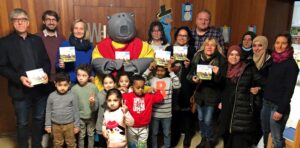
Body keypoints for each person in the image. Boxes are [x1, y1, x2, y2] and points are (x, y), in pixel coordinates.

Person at [0, 8, 51, 148]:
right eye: (16, 20)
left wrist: (46, 73)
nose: (20, 22)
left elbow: (46, 61)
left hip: (40, 89)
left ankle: (36, 145)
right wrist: (20, 78)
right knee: (22, 122)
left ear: (28, 22)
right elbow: (2, 67)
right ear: (12, 23)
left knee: (39, 118)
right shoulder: (4, 42)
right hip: (19, 89)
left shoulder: (37, 40)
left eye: (23, 19)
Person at [218, 45, 263, 148]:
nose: (234, 57)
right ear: (228, 55)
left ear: (240, 56)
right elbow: (220, 87)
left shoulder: (248, 68)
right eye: (231, 54)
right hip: (226, 107)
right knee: (226, 135)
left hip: (240, 108)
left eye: (237, 55)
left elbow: (262, 82)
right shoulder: (224, 67)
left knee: (239, 139)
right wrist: (220, 100)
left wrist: (258, 88)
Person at [187, 37, 227, 148]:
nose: (209, 47)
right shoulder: (197, 57)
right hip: (200, 93)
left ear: (216, 47)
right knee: (200, 118)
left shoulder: (221, 60)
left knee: (208, 120)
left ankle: (209, 140)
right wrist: (193, 79)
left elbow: (223, 82)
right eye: (207, 44)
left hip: (213, 95)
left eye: (212, 45)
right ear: (204, 46)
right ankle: (203, 138)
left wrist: (218, 73)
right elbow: (189, 75)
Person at [261, 33, 299, 148]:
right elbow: (268, 81)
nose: (280, 46)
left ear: (288, 45)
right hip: (266, 102)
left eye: (283, 43)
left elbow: (289, 90)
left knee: (277, 138)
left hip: (278, 107)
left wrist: (280, 110)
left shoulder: (291, 65)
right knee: (266, 132)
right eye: (277, 43)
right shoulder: (273, 60)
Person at [165, 26, 196, 147]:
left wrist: (189, 66)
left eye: (185, 36)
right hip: (172, 84)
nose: (182, 38)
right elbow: (161, 69)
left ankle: (188, 135)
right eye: (180, 35)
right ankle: (175, 135)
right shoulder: (169, 48)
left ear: (188, 38)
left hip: (187, 84)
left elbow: (197, 70)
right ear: (176, 36)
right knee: (174, 110)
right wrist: (170, 65)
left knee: (187, 110)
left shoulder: (192, 50)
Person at [142, 61, 181, 148]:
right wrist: (149, 69)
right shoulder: (152, 80)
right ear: (155, 70)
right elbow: (141, 81)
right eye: (158, 70)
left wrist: (171, 71)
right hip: (154, 113)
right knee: (154, 133)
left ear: (166, 71)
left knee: (167, 133)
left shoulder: (169, 80)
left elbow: (177, 85)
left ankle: (167, 146)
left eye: (162, 70)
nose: (160, 72)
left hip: (167, 114)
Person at [123, 75, 164, 147]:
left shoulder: (148, 96)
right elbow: (116, 96)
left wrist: (155, 90)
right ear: (132, 87)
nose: (140, 90)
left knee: (142, 145)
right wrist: (122, 89)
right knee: (132, 145)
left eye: (142, 87)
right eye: (138, 88)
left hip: (144, 128)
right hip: (131, 127)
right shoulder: (127, 96)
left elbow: (160, 98)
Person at [45, 72, 80, 148]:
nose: (62, 88)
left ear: (69, 84)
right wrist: (48, 125)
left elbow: (76, 111)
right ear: (55, 84)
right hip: (55, 125)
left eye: (65, 85)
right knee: (57, 143)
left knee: (71, 143)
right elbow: (48, 111)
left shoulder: (73, 96)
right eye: (59, 85)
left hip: (69, 125)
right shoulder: (51, 96)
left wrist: (77, 125)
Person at [56, 19, 93, 84]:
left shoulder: (90, 46)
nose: (78, 31)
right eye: (76, 28)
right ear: (72, 30)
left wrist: (92, 75)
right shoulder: (65, 44)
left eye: (81, 29)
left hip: (86, 81)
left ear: (85, 31)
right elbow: (57, 65)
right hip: (70, 81)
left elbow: (92, 64)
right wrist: (60, 65)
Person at [251, 35, 272, 146]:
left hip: (264, 100)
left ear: (265, 46)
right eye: (254, 45)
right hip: (250, 98)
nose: (257, 48)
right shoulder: (250, 59)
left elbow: (273, 84)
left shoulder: (271, 62)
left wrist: (260, 89)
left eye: (260, 45)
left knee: (261, 125)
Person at [71, 64, 98, 148]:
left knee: (91, 135)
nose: (81, 78)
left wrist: (93, 102)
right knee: (81, 135)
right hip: (80, 117)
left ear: (89, 76)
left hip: (91, 116)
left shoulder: (93, 87)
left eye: (84, 75)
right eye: (78, 75)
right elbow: (72, 105)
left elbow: (97, 104)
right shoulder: (74, 89)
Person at [36, 10, 65, 82]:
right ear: (43, 21)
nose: (51, 22)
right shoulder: (36, 37)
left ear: (57, 22)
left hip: (59, 77)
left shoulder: (62, 38)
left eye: (54, 20)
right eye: (48, 19)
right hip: (42, 77)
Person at [93, 74, 116, 147]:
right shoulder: (99, 95)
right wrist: (92, 103)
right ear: (103, 84)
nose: (108, 85)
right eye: (106, 83)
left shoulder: (118, 94)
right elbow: (94, 109)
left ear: (114, 83)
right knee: (102, 145)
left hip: (114, 127)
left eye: (110, 82)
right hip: (101, 127)